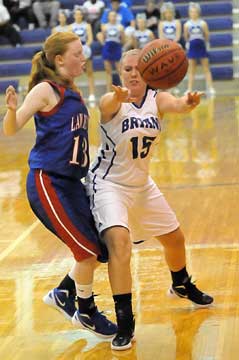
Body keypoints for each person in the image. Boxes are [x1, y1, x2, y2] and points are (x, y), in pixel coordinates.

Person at [85, 49, 214, 350]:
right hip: (109, 185)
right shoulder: (112, 101)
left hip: (142, 185)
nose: (132, 74)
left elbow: (177, 104)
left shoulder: (157, 99)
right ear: (120, 71)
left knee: (175, 239)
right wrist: (118, 97)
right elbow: (107, 105)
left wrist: (189, 103)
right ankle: (125, 321)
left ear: (149, 72)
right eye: (127, 68)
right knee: (119, 243)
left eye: (137, 69)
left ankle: (181, 283)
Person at [2, 31, 117, 339]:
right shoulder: (45, 89)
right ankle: (86, 311)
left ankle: (62, 294)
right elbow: (12, 130)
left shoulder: (74, 91)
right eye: (78, 53)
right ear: (60, 59)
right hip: (47, 180)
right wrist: (11, 110)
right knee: (86, 251)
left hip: (72, 181)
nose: (84, 57)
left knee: (99, 248)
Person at [183, 2, 215, 96]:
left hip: (201, 46)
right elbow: (186, 36)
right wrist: (188, 44)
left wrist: (207, 44)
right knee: (192, 69)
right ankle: (189, 89)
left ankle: (210, 88)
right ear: (189, 13)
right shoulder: (187, 24)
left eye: (195, 12)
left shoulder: (203, 23)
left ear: (198, 12)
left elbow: (207, 35)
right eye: (191, 12)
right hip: (192, 46)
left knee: (206, 68)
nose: (193, 13)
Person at [69, 6, 96, 105]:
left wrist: (85, 47)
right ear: (74, 16)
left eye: (80, 14)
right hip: (75, 51)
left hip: (85, 50)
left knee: (89, 72)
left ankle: (92, 95)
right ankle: (74, 95)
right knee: (73, 73)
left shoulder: (87, 26)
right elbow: (70, 40)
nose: (78, 16)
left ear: (82, 15)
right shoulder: (71, 27)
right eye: (76, 14)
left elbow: (90, 39)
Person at [97, 10, 125, 92]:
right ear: (108, 17)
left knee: (119, 70)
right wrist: (104, 44)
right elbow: (104, 37)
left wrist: (120, 46)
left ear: (116, 17)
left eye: (114, 16)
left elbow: (123, 40)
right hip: (108, 47)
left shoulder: (120, 27)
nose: (112, 18)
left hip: (116, 47)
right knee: (108, 71)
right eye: (111, 16)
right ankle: (108, 92)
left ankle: (124, 90)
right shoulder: (105, 27)